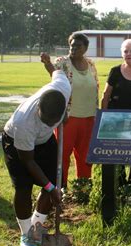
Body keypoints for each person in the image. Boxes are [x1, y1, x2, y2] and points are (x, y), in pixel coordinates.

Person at [2, 70, 70, 246]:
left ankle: (36, 227)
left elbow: (58, 72)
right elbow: (29, 162)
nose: (49, 124)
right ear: (38, 107)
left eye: (53, 122)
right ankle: (26, 234)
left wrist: (66, 114)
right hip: (18, 144)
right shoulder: (24, 123)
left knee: (56, 181)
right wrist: (49, 187)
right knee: (23, 187)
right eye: (46, 120)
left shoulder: (63, 87)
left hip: (45, 141)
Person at [41, 32, 98, 191]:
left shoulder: (91, 64)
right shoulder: (63, 62)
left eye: (78, 45)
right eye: (72, 45)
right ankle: (62, 187)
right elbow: (55, 76)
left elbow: (95, 86)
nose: (73, 48)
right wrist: (47, 64)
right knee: (63, 154)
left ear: (85, 48)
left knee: (85, 156)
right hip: (68, 117)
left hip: (89, 117)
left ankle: (83, 187)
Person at [101, 39, 131, 187]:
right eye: (125, 51)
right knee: (119, 152)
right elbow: (105, 95)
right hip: (116, 118)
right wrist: (103, 118)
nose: (128, 54)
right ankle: (121, 183)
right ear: (122, 54)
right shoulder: (115, 71)